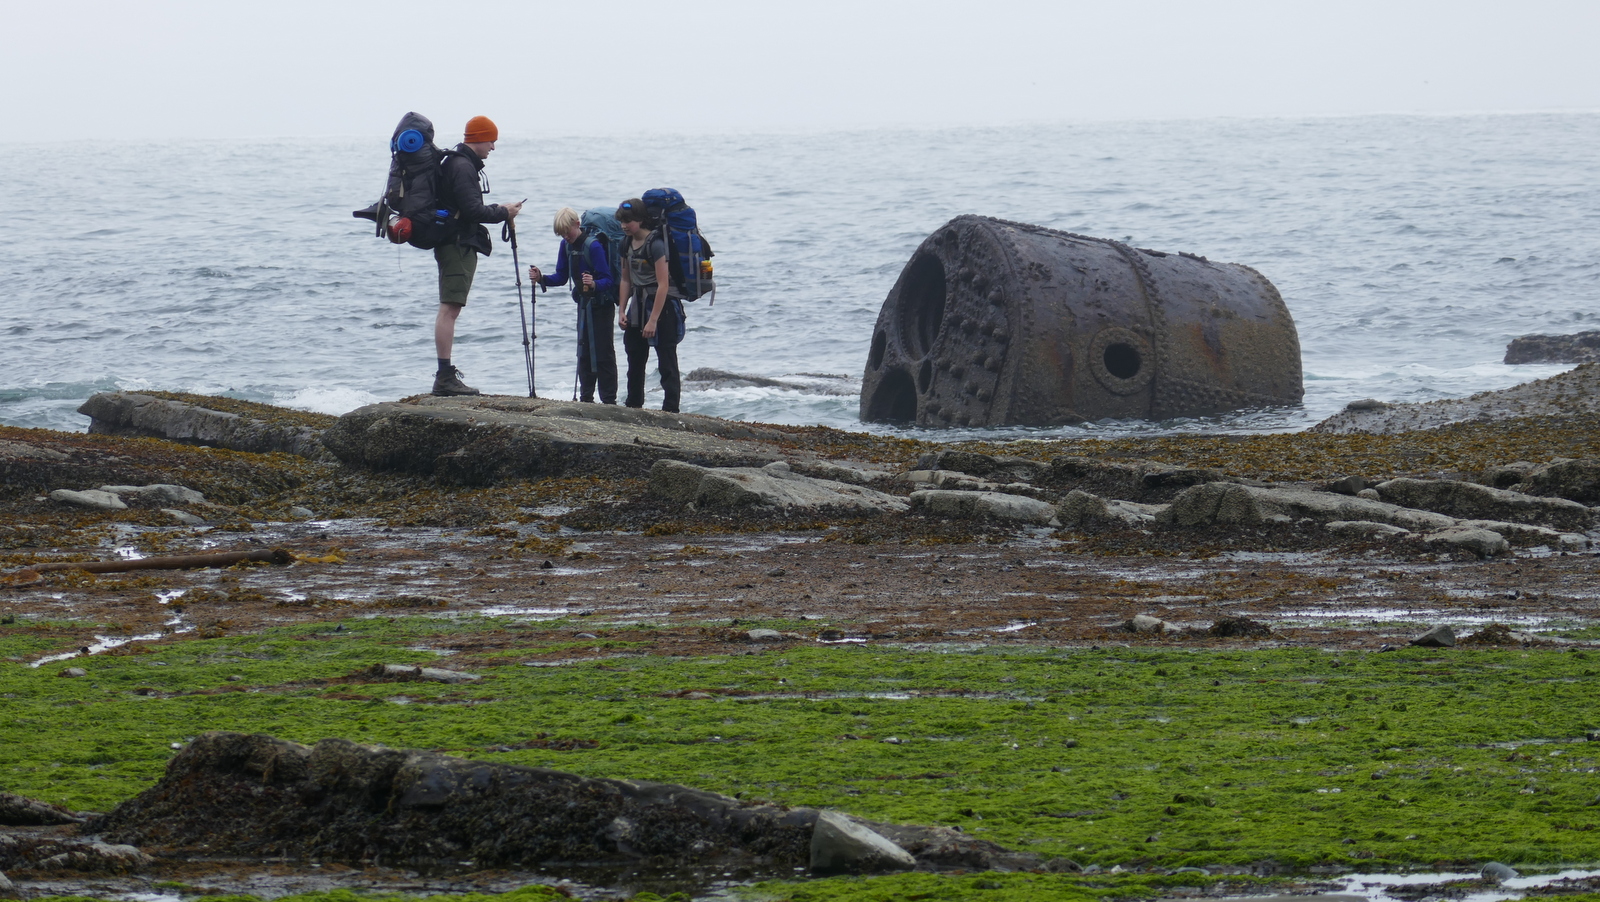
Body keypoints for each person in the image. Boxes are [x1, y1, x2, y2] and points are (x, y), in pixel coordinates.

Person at [430, 115, 523, 396]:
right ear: (479, 138)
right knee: (450, 308)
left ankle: (445, 373)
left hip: (453, 240)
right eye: (491, 140)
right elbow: (472, 211)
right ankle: (444, 376)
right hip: (457, 244)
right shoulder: (462, 167)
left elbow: (467, 206)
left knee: (451, 307)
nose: (493, 147)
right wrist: (503, 212)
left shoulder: (457, 163)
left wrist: (498, 209)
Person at [528, 208, 617, 404]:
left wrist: (594, 284)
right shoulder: (565, 246)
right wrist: (541, 278)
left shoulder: (593, 247)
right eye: (561, 234)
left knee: (603, 352)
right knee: (583, 350)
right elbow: (561, 277)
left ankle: (609, 400)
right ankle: (586, 398)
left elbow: (608, 280)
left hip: (602, 306)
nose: (566, 237)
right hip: (584, 305)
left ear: (577, 224)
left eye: (567, 232)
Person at [615, 198, 685, 412]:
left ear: (640, 220)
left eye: (628, 221)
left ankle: (671, 409)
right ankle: (634, 405)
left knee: (667, 362)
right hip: (636, 307)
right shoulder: (625, 243)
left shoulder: (656, 244)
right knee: (635, 358)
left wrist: (653, 320)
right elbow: (625, 280)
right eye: (621, 221)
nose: (624, 226)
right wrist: (621, 311)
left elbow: (663, 285)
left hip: (662, 308)